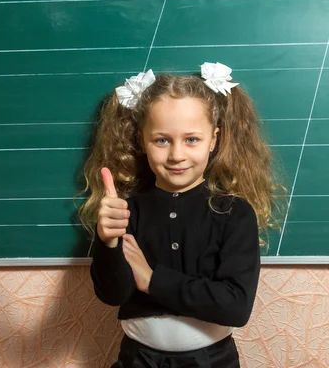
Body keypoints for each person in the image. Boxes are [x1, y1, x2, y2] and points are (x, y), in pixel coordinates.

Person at [79, 62, 285, 368]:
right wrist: (108, 243)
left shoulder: (234, 213)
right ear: (142, 140)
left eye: (192, 139)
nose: (176, 155)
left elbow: (235, 307)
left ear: (213, 140)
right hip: (138, 359)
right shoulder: (125, 210)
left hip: (212, 362)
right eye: (162, 140)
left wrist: (151, 280)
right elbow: (113, 295)